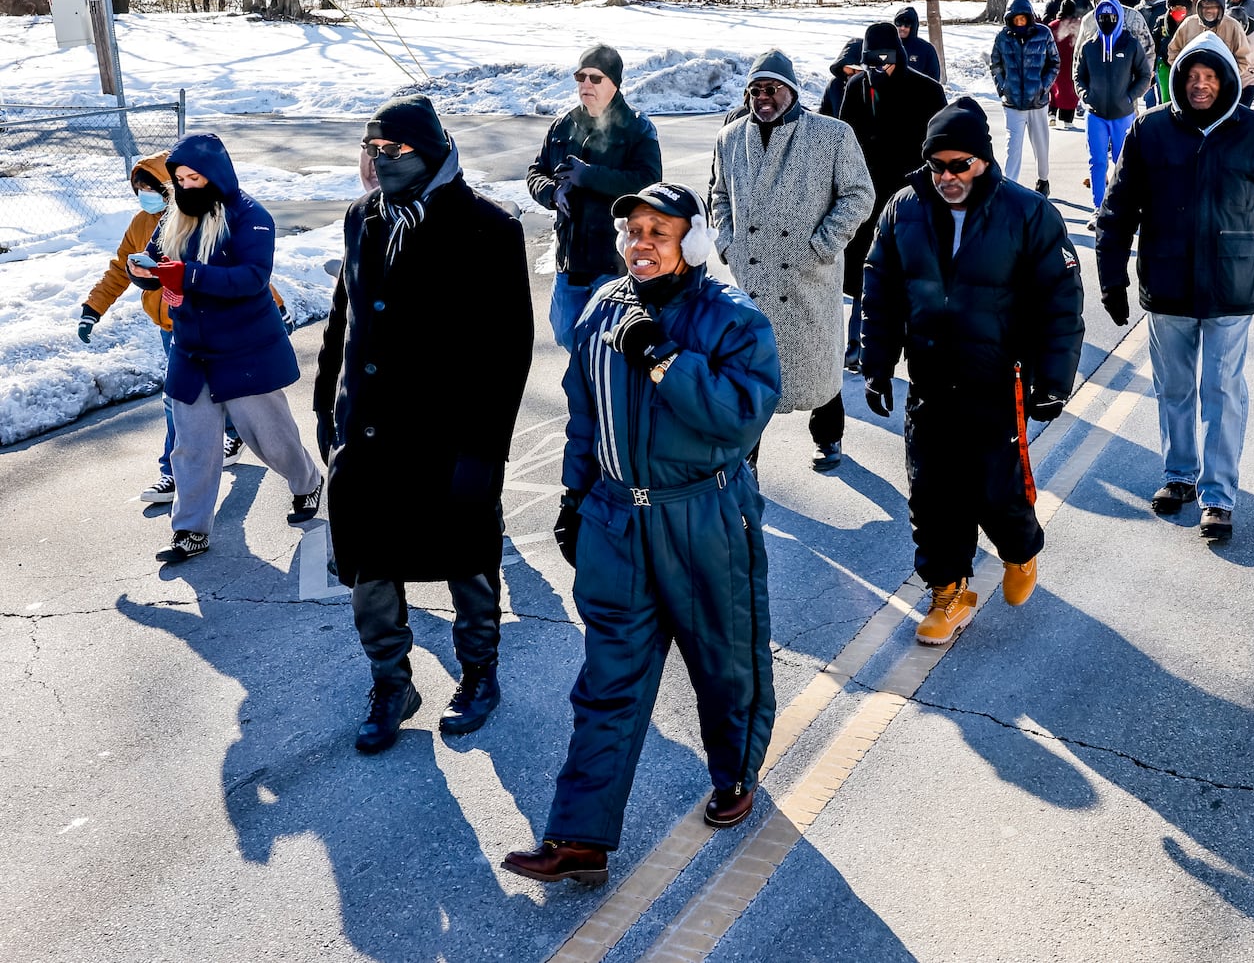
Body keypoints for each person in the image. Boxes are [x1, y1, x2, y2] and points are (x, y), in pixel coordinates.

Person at [501, 182, 781, 887]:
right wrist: (573, 497)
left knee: (724, 660)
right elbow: (581, 412)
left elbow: (738, 415)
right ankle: (579, 836)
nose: (641, 242)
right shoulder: (602, 308)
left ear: (690, 241)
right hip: (618, 518)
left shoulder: (732, 319)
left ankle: (734, 773)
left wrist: (662, 357)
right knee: (608, 679)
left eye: (660, 230)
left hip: (702, 517)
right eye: (633, 230)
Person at [311, 96, 534, 754]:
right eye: (371, 150)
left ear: (431, 152)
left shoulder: (488, 229)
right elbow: (342, 321)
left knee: (467, 561)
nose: (379, 162)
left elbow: (510, 350)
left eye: (394, 150)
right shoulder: (361, 219)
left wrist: (486, 451)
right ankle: (391, 682)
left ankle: (479, 674)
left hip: (450, 440)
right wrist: (328, 412)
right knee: (369, 570)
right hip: (369, 436)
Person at [860, 98, 1084, 644]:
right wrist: (876, 364)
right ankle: (949, 590)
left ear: (983, 160)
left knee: (994, 489)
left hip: (995, 382)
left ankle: (1021, 549)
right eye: (938, 166)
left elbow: (1060, 303)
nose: (948, 177)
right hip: (930, 382)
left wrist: (1052, 382)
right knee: (931, 493)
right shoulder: (903, 209)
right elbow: (879, 290)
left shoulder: (1028, 214)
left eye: (960, 164)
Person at [1094, 33, 1254, 544]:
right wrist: (1112, 279)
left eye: (1209, 77)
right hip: (1168, 282)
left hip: (1233, 283)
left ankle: (1218, 495)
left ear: (1226, 79)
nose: (1200, 85)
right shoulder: (1151, 131)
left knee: (1223, 389)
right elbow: (1117, 212)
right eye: (1192, 76)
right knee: (1175, 387)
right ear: (1180, 78)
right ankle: (1179, 474)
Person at [125, 134, 322, 563]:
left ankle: (306, 480)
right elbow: (160, 261)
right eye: (179, 179)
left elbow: (252, 277)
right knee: (192, 444)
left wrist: (188, 276)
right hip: (191, 348)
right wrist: (144, 272)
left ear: (217, 175)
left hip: (244, 348)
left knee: (269, 438)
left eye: (195, 177)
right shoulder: (175, 215)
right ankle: (190, 530)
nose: (187, 186)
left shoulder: (251, 216)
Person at [712, 50, 875, 470]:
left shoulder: (831, 135)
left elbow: (859, 195)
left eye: (773, 88)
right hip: (753, 276)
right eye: (756, 89)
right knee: (749, 372)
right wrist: (728, 244)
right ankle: (747, 457)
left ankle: (829, 437)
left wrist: (822, 245)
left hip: (808, 276)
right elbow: (719, 195)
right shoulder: (730, 138)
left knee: (819, 362)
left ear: (792, 91)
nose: (763, 97)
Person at [78, 152, 266, 502]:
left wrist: (278, 306)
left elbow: (244, 272)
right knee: (178, 400)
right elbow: (121, 268)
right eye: (137, 190)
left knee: (222, 391)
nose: (143, 196)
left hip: (213, 323)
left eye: (149, 188)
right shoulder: (139, 224)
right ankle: (172, 473)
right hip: (172, 329)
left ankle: (233, 435)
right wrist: (93, 307)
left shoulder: (201, 217)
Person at [527, 44, 662, 351]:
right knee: (566, 335)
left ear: (615, 82)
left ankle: (599, 396)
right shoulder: (563, 125)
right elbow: (536, 171)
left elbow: (648, 183)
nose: (586, 84)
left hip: (612, 264)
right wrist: (551, 192)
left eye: (595, 78)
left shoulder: (637, 128)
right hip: (570, 262)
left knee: (605, 346)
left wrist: (589, 176)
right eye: (581, 76)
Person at [836, 26, 946, 371]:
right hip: (866, 198)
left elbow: (941, 147)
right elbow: (842, 143)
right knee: (866, 277)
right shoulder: (856, 87)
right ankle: (859, 349)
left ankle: (923, 352)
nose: (880, 67)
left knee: (915, 278)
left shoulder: (927, 90)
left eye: (886, 59)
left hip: (913, 199)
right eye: (872, 61)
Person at [1076, 0, 1152, 209]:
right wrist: (1085, 96)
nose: (1107, 20)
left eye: (1111, 16)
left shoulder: (1130, 45)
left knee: (1124, 162)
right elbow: (1078, 75)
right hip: (1096, 115)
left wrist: (1130, 96)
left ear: (1119, 17)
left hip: (1123, 115)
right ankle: (1098, 208)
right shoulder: (1089, 47)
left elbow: (1144, 75)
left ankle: (1123, 208)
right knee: (1097, 162)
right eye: (1102, 17)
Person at [990, 0, 1060, 194]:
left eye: (1023, 18)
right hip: (1012, 103)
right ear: (1010, 19)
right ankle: (1008, 187)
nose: (1020, 23)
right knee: (1013, 147)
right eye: (1016, 19)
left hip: (1037, 102)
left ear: (1029, 17)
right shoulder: (1003, 37)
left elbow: (1054, 63)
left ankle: (1043, 180)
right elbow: (995, 64)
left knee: (1041, 145)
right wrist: (1003, 88)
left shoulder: (1043, 33)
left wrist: (1042, 87)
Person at [1167, 0, 1254, 108]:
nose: (1209, 11)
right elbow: (1173, 51)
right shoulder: (1188, 24)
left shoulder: (1233, 26)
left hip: (1222, 91)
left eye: (1213, 7)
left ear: (1221, 8)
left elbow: (1244, 58)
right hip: (1193, 90)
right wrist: (1184, 74)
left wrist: (1228, 77)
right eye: (1205, 7)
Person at [1149, 0, 1192, 105]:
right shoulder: (1161, 21)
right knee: (1165, 98)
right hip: (1164, 64)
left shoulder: (1192, 22)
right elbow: (1155, 44)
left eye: (1181, 8)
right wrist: (1153, 66)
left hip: (1186, 65)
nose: (1178, 11)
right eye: (1175, 8)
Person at [1048, 1, 1081, 127]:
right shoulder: (1077, 26)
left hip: (1055, 64)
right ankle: (1067, 120)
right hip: (1071, 64)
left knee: (1054, 89)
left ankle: (1052, 113)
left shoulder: (1052, 26)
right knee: (1070, 93)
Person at [817, 37, 864, 118]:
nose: (854, 74)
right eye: (850, 68)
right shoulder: (835, 85)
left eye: (858, 70)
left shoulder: (874, 88)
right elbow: (824, 115)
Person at [894, 5, 943, 81]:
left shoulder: (926, 49)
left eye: (907, 25)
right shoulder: (888, 46)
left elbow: (934, 80)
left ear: (913, 27)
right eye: (899, 23)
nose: (902, 28)